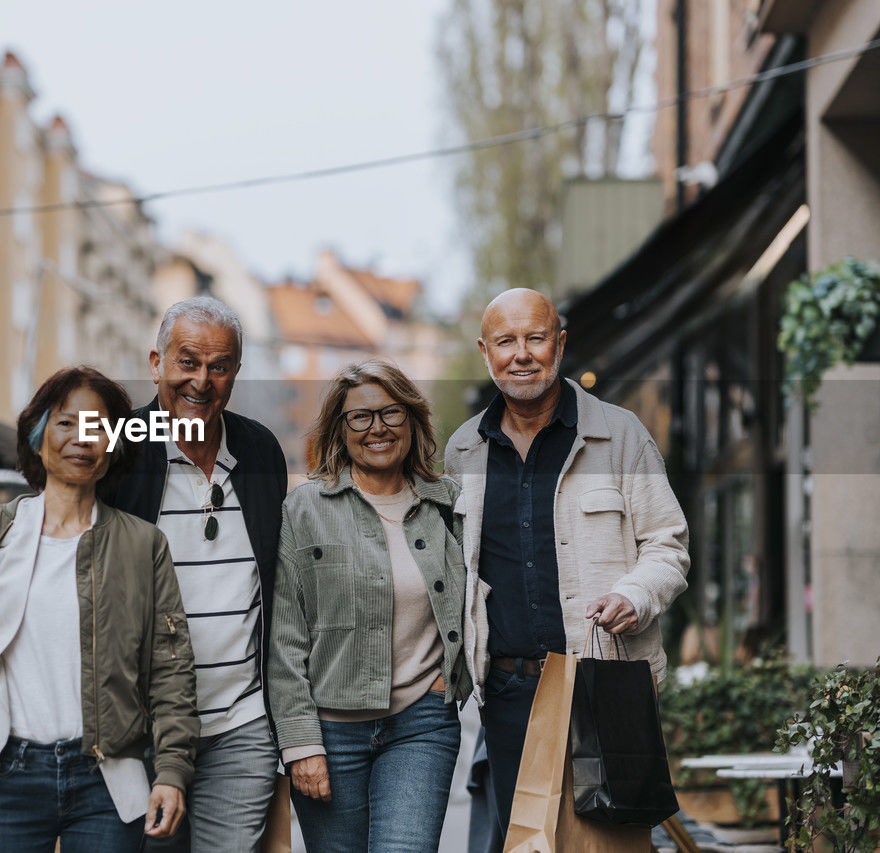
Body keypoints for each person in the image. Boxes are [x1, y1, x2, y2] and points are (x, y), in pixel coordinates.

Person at [0, 367, 198, 851]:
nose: (81, 439)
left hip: (108, 781)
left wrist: (171, 770)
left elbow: (171, 671)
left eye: (98, 426)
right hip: (7, 774)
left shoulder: (144, 545)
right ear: (38, 438)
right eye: (65, 423)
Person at [444, 288, 690, 847]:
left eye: (535, 337)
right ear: (487, 352)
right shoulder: (464, 452)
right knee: (529, 842)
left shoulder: (621, 435)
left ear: (559, 343)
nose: (522, 354)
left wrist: (636, 594)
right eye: (507, 341)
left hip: (605, 684)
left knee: (611, 841)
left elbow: (668, 545)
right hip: (509, 691)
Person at [107, 296, 287, 852]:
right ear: (156, 363)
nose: (201, 381)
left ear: (235, 372)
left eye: (219, 366)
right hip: (141, 728)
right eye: (188, 362)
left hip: (241, 722)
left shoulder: (260, 450)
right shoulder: (120, 449)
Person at [269, 359, 471, 853]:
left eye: (391, 413)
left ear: (412, 419)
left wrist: (456, 672)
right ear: (341, 429)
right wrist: (301, 745)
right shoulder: (304, 509)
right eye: (360, 417)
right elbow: (285, 636)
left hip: (421, 725)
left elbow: (486, 593)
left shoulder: (449, 503)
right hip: (331, 732)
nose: (377, 428)